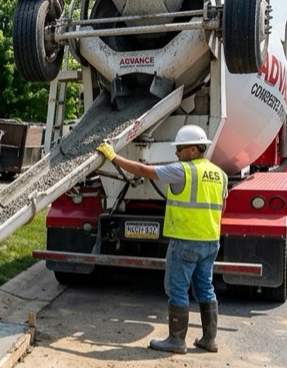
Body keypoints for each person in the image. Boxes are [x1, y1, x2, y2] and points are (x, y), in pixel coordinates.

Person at [96, 125, 228, 354]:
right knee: (205, 287)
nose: (176, 153)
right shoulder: (220, 174)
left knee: (177, 288)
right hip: (210, 241)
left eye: (180, 149)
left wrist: (113, 156)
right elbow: (221, 208)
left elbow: (143, 170)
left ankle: (176, 341)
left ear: (194, 149)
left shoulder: (183, 170)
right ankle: (209, 339)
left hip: (185, 240)